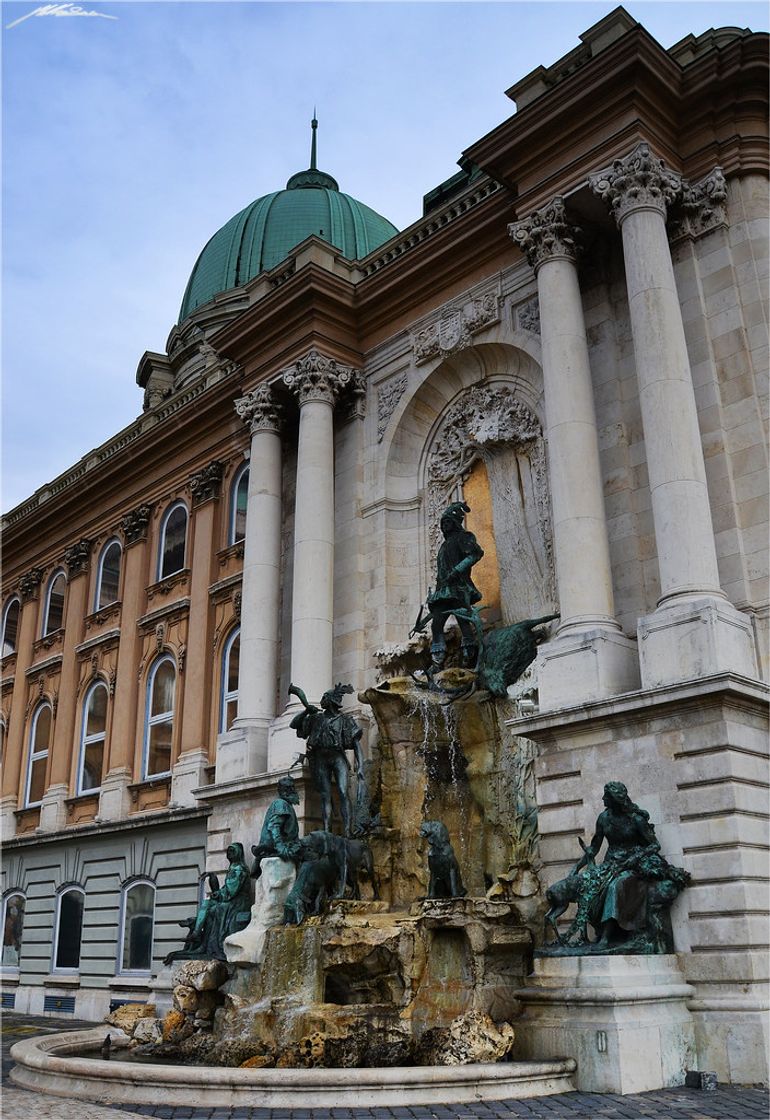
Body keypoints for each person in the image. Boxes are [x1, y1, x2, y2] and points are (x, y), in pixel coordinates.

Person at [554, 782, 690, 954]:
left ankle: (606, 937)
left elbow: (654, 845)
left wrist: (635, 857)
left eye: (606, 796)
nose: (603, 799)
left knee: (615, 887)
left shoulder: (636, 819)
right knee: (589, 887)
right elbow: (594, 849)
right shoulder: (603, 818)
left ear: (615, 799)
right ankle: (590, 934)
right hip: (610, 864)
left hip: (632, 866)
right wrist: (577, 867)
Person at [288, 681, 363, 836]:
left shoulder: (345, 720)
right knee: (325, 795)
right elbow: (293, 725)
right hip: (320, 759)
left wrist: (360, 765)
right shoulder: (315, 718)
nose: (321, 700)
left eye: (324, 698)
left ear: (330, 701)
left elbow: (356, 743)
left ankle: (348, 830)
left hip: (338, 757)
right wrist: (305, 712)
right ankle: (327, 829)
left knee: (343, 791)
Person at [165, 842, 251, 962]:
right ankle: (196, 934)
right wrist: (218, 893)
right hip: (231, 900)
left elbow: (231, 891)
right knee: (207, 904)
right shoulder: (233, 868)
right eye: (228, 851)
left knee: (214, 909)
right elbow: (227, 889)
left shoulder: (239, 869)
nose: (229, 854)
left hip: (238, 903)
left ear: (238, 853)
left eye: (232, 851)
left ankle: (199, 936)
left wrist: (219, 894)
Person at [427, 502, 484, 669]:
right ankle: (438, 655)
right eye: (443, 523)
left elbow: (475, 554)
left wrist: (458, 570)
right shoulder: (444, 546)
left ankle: (469, 651)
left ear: (455, 523)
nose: (444, 526)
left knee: (463, 619)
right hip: (443, 590)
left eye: (447, 522)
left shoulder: (463, 538)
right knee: (436, 622)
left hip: (458, 587)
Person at [250, 775, 302, 877]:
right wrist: (280, 847)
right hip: (275, 847)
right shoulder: (280, 804)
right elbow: (274, 827)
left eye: (292, 787)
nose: (291, 790)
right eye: (288, 788)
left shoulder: (286, 804)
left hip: (287, 845)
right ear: (281, 791)